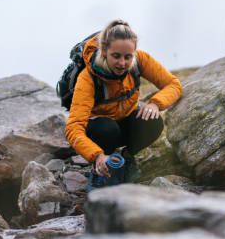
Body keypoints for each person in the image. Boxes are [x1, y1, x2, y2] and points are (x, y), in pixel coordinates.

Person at [65, 19, 183, 188]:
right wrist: (96, 155)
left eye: (128, 57)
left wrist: (155, 104)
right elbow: (73, 128)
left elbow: (173, 85)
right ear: (105, 51)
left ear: (134, 52)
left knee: (153, 121)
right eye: (116, 56)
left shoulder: (140, 60)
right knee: (107, 128)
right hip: (100, 131)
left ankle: (126, 159)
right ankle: (100, 169)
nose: (122, 63)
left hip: (126, 123)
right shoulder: (88, 77)